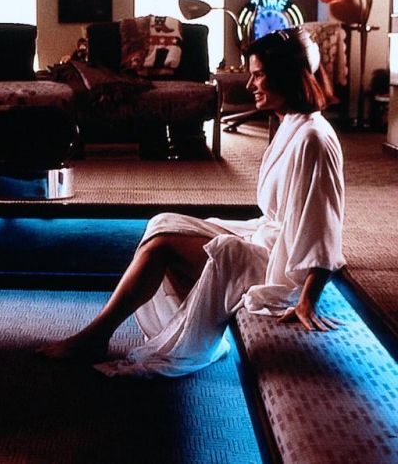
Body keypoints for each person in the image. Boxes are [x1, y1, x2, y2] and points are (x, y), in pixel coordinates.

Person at [38, 28, 345, 377]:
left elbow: (323, 227)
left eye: (259, 75)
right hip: (268, 238)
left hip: (281, 265)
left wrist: (307, 300)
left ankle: (95, 336)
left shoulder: (312, 139)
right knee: (163, 222)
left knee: (164, 246)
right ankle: (180, 322)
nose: (250, 85)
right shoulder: (291, 123)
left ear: (287, 76)